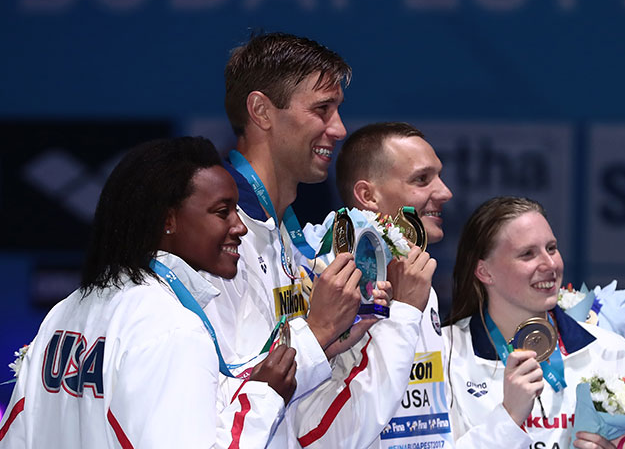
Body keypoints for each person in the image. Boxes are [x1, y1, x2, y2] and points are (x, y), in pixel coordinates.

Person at [0, 136, 297, 448]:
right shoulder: (173, 330)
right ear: (167, 220)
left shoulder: (64, 311)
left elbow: (16, 438)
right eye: (223, 212)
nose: (240, 227)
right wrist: (263, 400)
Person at [205, 33, 427, 448]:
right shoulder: (215, 236)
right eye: (322, 110)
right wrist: (320, 330)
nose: (339, 129)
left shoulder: (290, 238)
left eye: (338, 110)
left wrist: (348, 335)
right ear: (261, 111)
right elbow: (215, 401)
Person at [444, 197, 625, 449]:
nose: (550, 264)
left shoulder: (609, 351)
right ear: (484, 272)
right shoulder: (444, 352)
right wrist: (508, 417)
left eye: (551, 248)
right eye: (527, 254)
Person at [299, 121, 446, 448]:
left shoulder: (418, 281)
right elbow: (325, 437)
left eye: (438, 176)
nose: (445, 192)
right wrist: (404, 313)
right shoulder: (332, 282)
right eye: (422, 179)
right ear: (368, 195)